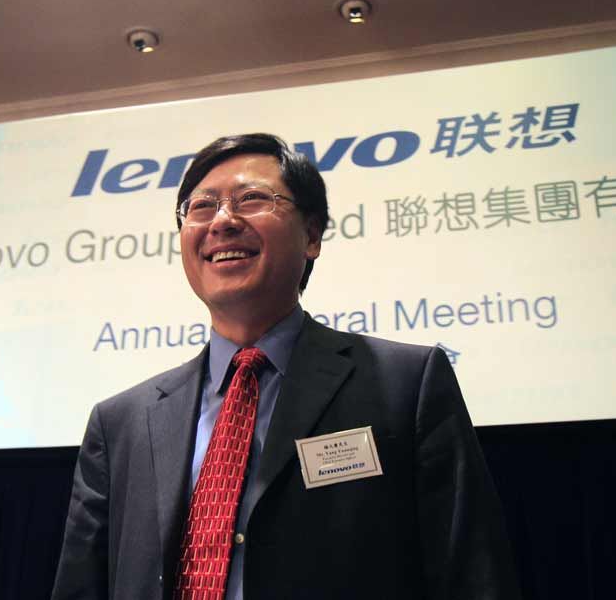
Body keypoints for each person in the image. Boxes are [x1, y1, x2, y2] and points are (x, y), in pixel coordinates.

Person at [52, 133, 521, 600]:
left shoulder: (407, 383)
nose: (223, 221)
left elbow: (474, 576)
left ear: (312, 236)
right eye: (202, 207)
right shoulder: (121, 423)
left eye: (252, 199)